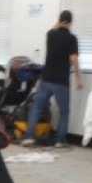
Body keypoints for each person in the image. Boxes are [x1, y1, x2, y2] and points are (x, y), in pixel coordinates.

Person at [21, 9, 83, 149]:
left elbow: (53, 28)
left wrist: (59, 24)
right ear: (71, 22)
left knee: (37, 108)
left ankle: (29, 137)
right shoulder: (71, 38)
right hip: (61, 80)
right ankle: (60, 140)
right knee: (64, 111)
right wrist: (79, 78)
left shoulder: (50, 34)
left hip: (46, 78)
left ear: (59, 20)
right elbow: (74, 59)